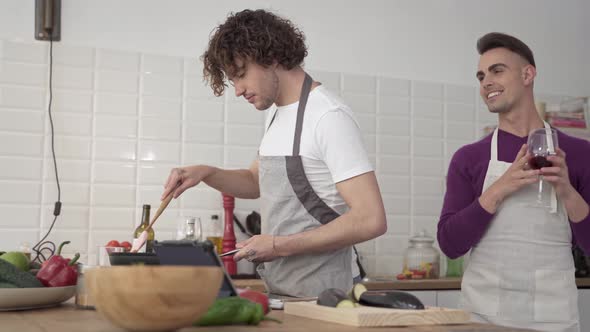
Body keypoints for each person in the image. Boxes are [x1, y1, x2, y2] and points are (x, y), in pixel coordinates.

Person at [160, 9, 387, 297]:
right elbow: (256, 182)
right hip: (283, 293)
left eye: (241, 75)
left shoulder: (329, 116)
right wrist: (207, 172)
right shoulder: (276, 114)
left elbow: (371, 219)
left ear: (271, 56)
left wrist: (277, 245)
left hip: (328, 297)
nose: (238, 91)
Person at [437, 32, 590, 332]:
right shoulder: (469, 158)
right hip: (481, 319)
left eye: (497, 71)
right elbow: (450, 244)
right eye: (481, 76)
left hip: (554, 320)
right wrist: (498, 190)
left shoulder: (580, 154)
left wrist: (566, 191)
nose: (486, 83)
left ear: (528, 74)